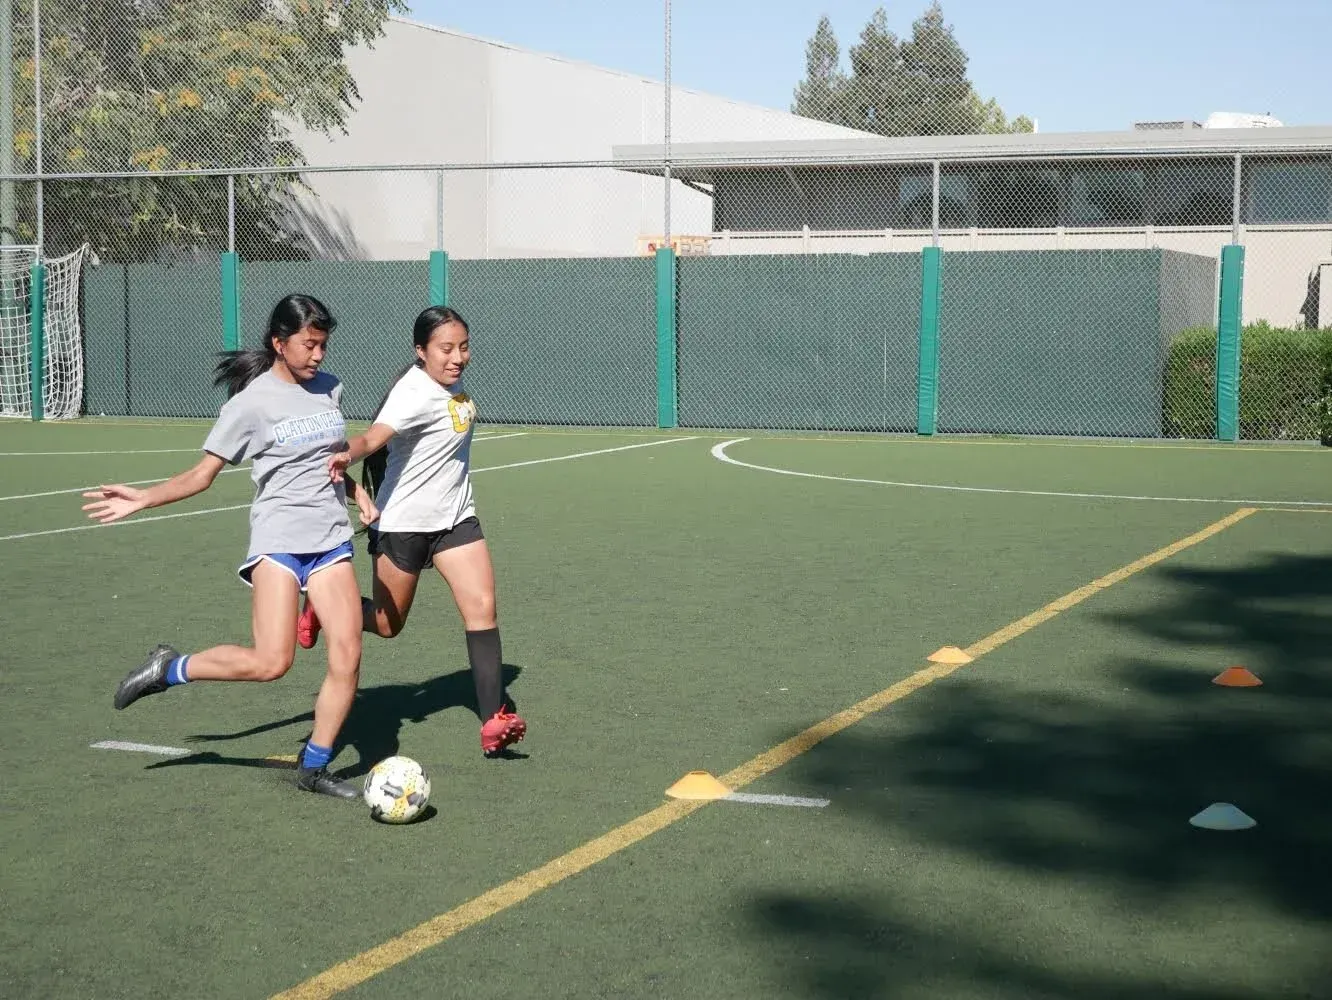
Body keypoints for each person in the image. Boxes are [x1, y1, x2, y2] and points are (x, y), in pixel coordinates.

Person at [83, 294, 364, 799]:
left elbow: (333, 458)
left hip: (330, 539)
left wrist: (359, 493)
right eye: (309, 344)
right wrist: (143, 498)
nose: (319, 355)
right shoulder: (250, 403)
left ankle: (314, 767)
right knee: (270, 663)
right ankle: (169, 668)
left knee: (347, 654)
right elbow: (202, 475)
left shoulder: (330, 388)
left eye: (323, 345)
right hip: (279, 540)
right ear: (279, 343)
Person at [296, 305, 527, 758]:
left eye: (463, 347)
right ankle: (322, 607)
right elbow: (373, 437)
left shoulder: (450, 384)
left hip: (457, 519)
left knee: (483, 609)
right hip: (404, 525)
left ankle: (492, 718)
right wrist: (347, 455)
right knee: (386, 623)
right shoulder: (413, 390)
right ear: (421, 351)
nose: (457, 357)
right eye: (446, 349)